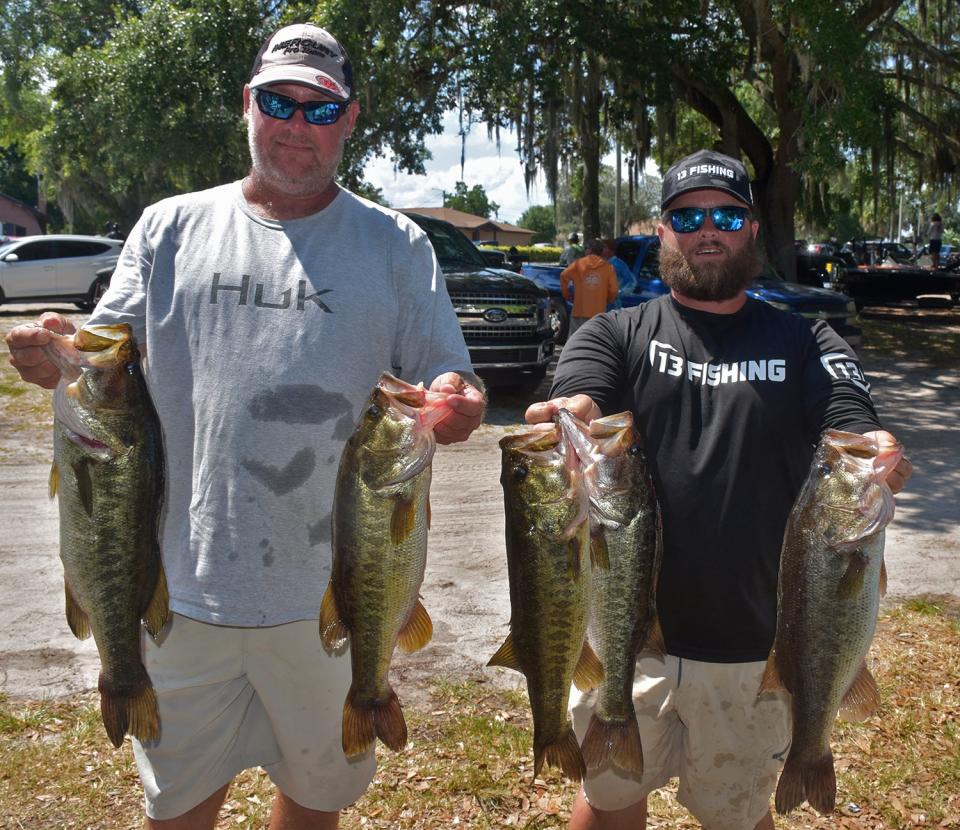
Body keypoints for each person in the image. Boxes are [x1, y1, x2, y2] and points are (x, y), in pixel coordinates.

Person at [5, 22, 485, 830]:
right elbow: (99, 352)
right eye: (278, 102)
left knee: (312, 801)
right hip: (182, 587)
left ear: (351, 119)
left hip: (335, 597)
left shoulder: (396, 244)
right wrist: (51, 356)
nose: (298, 126)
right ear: (246, 105)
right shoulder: (168, 228)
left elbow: (453, 379)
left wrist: (458, 399)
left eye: (320, 109)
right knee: (179, 808)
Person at [525, 149, 912, 830]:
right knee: (609, 798)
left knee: (736, 814)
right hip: (628, 640)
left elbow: (852, 422)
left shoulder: (807, 340)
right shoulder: (616, 333)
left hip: (755, 650)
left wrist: (877, 452)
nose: (709, 229)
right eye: (689, 215)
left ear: (753, 229)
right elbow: (580, 393)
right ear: (664, 228)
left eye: (728, 214)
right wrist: (571, 417)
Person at [560, 238, 619, 335]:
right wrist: (607, 299)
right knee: (595, 341)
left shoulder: (578, 264)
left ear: (590, 250)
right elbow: (614, 290)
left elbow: (563, 276)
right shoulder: (608, 267)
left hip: (579, 311)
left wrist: (567, 295)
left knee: (575, 341)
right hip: (598, 312)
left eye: (586, 248)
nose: (585, 250)